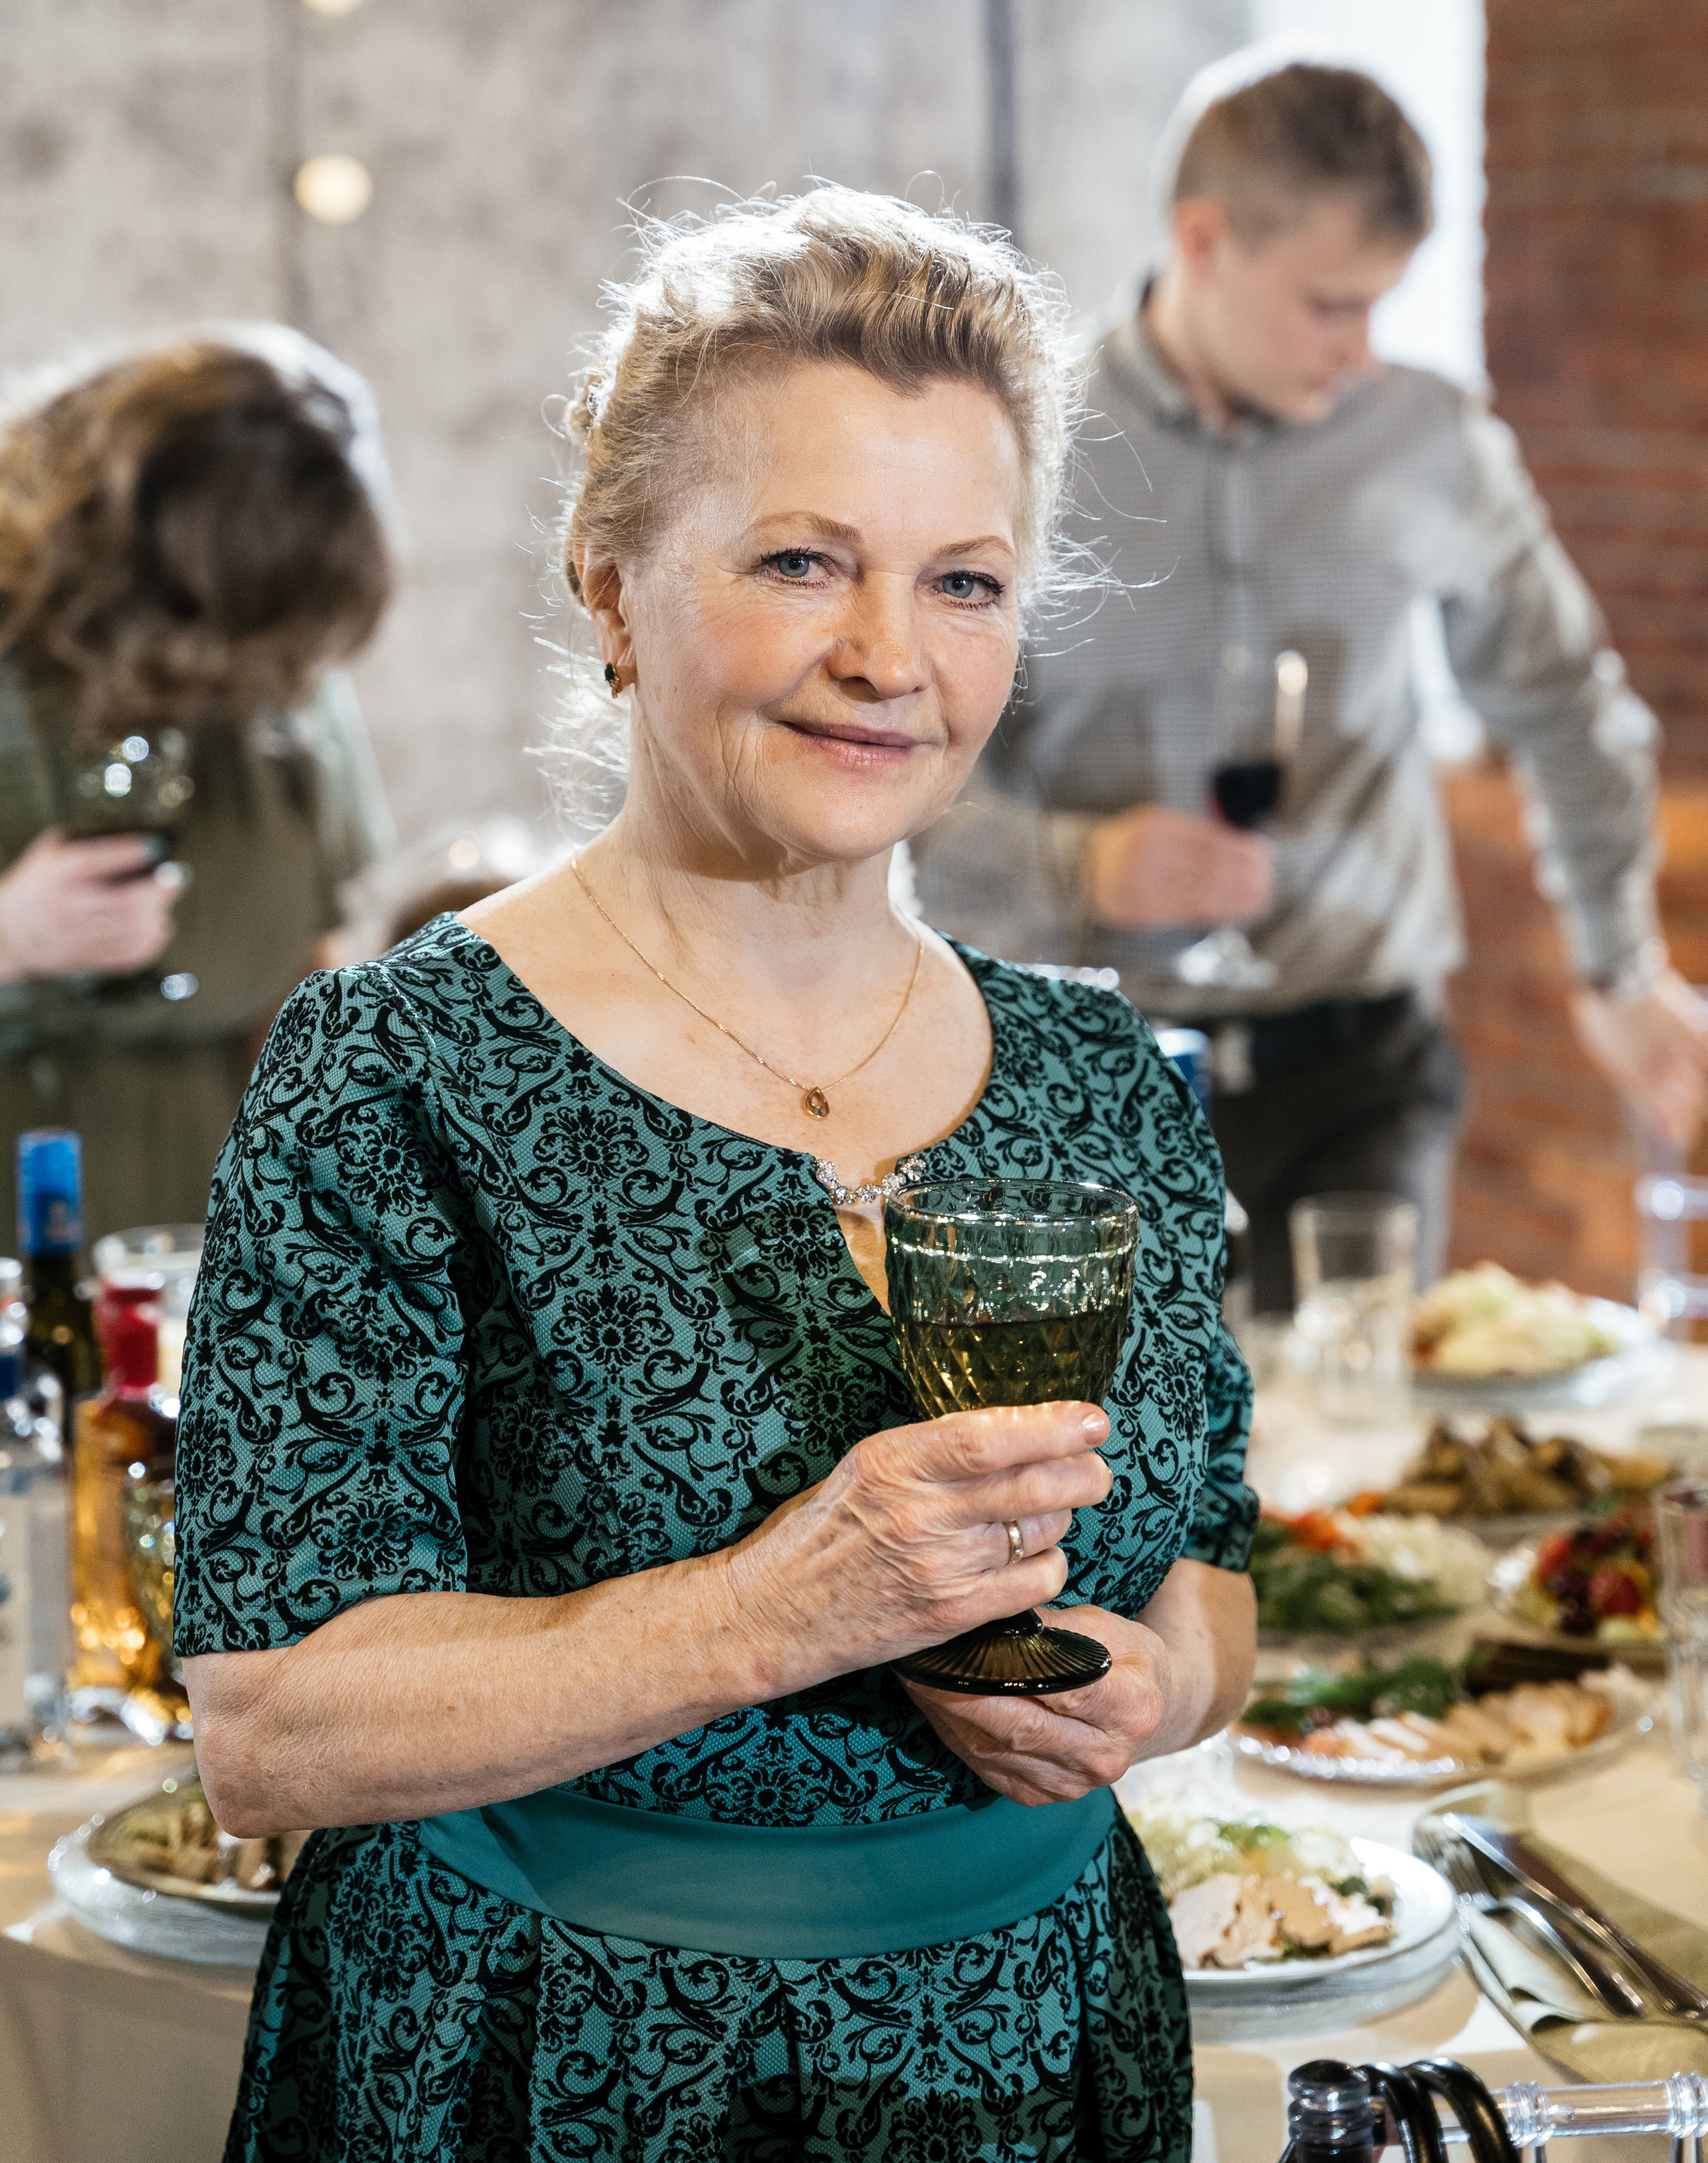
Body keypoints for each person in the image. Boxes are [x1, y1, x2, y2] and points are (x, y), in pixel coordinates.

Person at [175, 189, 1259, 2161]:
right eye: (800, 561)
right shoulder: (395, 1066)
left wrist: (1159, 1683)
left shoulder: (1101, 1073)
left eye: (964, 583)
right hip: (543, 2048)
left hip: (1037, 2044)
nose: (887, 657)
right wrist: (782, 1608)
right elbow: (270, 1729)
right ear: (611, 588)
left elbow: (1210, 1572)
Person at [911, 58, 1708, 1321]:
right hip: (1084, 1078)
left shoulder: (1430, 440)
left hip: (1364, 1080)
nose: (1363, 350)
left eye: (1381, 305)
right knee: (1117, 1443)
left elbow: (1564, 702)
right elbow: (904, 778)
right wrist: (1077, 867)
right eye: (1332, 305)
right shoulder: (1018, 450)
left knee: (1363, 1428)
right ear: (1203, 241)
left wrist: (1620, 965)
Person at [0, 325, 394, 1242]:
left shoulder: (281, 661)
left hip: (207, 1266)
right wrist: (8, 939)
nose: (228, 674)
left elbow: (305, 986)